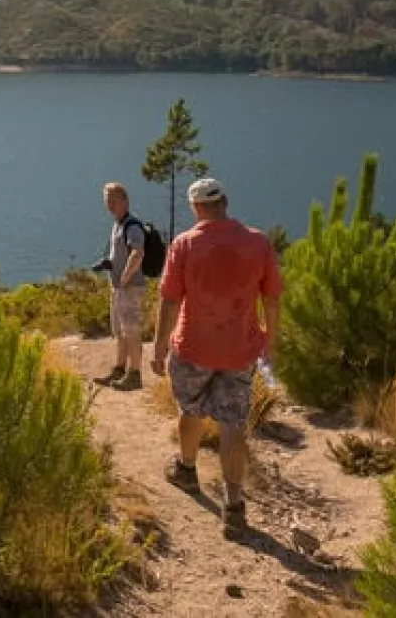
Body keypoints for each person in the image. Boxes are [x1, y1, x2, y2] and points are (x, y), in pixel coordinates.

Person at [151, 177, 282, 541]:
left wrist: (160, 346)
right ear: (225, 201)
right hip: (240, 351)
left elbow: (169, 299)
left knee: (190, 410)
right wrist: (270, 341)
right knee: (233, 424)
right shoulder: (258, 243)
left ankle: (187, 470)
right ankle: (234, 506)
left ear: (196, 208)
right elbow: (271, 299)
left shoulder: (185, 245)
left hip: (192, 348)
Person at [97, 182, 147, 390]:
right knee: (120, 331)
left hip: (129, 287)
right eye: (107, 200)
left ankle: (135, 374)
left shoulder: (131, 225)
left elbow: (137, 252)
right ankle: (119, 370)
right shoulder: (118, 224)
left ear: (125, 201)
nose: (109, 205)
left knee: (131, 331)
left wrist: (125, 277)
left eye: (113, 200)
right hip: (119, 288)